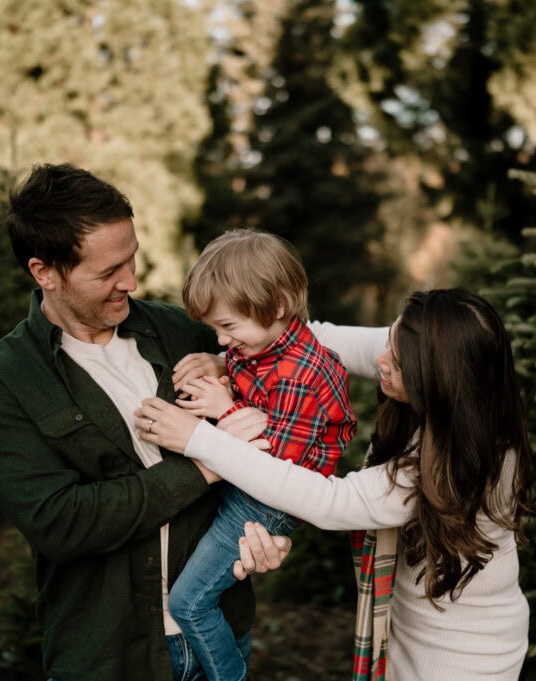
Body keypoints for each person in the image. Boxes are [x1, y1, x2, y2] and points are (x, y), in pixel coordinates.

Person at [0, 163, 287, 681]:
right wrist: (208, 461)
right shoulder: (3, 381)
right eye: (107, 271)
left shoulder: (185, 333)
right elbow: (61, 523)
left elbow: (279, 415)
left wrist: (269, 534)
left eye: (131, 258)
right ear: (44, 271)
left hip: (219, 633)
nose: (130, 281)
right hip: (107, 655)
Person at [135, 288, 535, 680]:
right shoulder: (439, 361)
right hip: (406, 631)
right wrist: (230, 357)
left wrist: (199, 439)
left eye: (396, 363)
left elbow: (328, 499)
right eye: (387, 341)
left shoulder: (459, 469)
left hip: (465, 660)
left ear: (437, 384)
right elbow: (310, 338)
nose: (380, 359)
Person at [161, 228, 356, 681]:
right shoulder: (265, 347)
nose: (223, 341)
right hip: (246, 490)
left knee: (188, 603)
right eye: (214, 330)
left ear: (278, 308)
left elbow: (277, 467)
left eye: (228, 328)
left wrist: (222, 409)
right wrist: (221, 368)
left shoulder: (301, 374)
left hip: (264, 502)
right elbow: (246, 371)